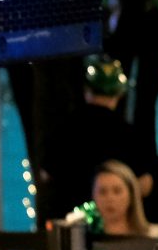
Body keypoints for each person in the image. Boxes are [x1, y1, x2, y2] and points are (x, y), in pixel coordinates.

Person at [41, 55, 151, 220]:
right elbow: (145, 185)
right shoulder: (130, 134)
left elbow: (45, 174)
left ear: (87, 90)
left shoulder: (64, 128)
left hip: (70, 224)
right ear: (119, 93)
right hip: (115, 229)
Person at [92, 160, 158, 250]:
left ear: (131, 195)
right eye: (102, 192)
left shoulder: (153, 235)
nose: (110, 198)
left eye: (117, 191)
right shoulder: (85, 239)